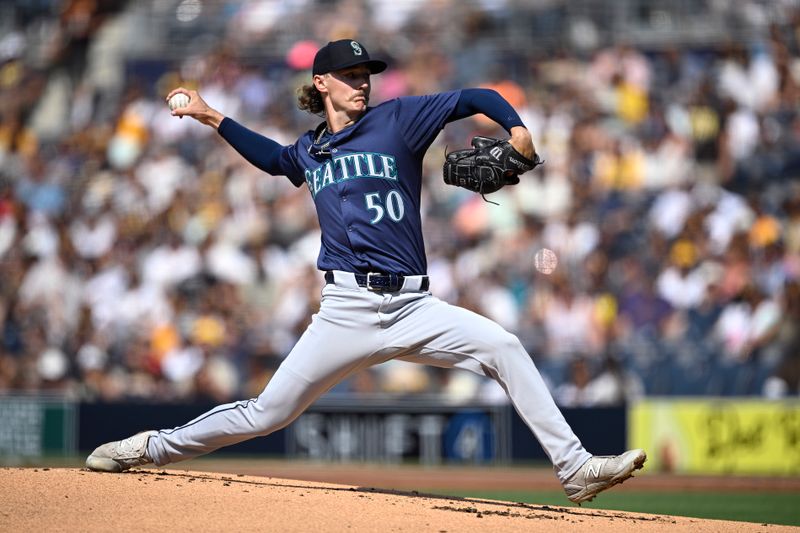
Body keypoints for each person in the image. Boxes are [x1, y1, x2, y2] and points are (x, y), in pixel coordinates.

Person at [86, 39, 646, 504]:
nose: (363, 83)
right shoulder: (309, 150)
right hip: (346, 310)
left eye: (366, 74)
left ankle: (574, 468)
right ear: (322, 84)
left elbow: (475, 96)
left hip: (414, 305)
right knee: (268, 413)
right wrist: (210, 114)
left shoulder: (399, 120)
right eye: (350, 75)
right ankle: (150, 447)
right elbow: (272, 157)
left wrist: (516, 129)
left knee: (503, 346)